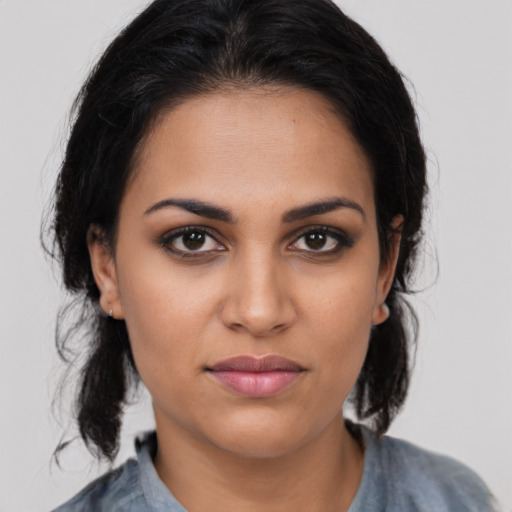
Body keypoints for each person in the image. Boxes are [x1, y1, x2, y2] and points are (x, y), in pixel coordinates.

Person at [48, 0, 497, 510]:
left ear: (385, 265)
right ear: (107, 268)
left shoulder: (467, 499)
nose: (260, 312)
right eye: (192, 239)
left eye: (317, 239)